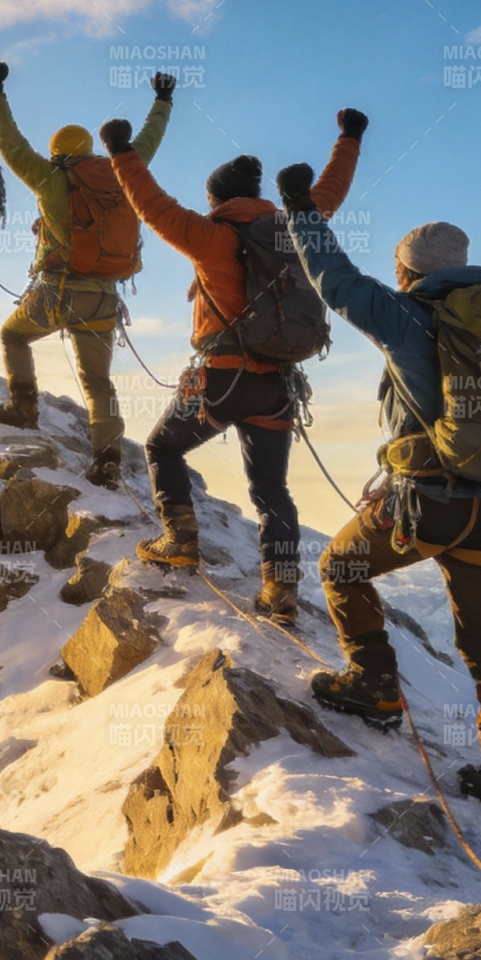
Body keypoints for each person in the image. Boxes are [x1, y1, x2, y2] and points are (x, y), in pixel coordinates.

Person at [276, 162, 481, 831]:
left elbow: (333, 279)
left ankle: (373, 686)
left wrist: (300, 210)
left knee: (339, 569)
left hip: (420, 507)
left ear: (407, 270)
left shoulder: (402, 315)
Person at [101, 110, 368, 623]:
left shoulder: (211, 237)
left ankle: (179, 540)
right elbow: (332, 189)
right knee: (272, 490)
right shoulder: (297, 224)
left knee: (162, 445)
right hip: (278, 384)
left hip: (223, 378)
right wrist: (349, 137)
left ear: (219, 199)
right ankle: (281, 593)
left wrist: (120, 151)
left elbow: (150, 203)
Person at [0, 62, 173, 487]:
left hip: (55, 293)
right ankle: (107, 461)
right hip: (103, 297)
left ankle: (23, 408)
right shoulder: (124, 171)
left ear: (57, 154)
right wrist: (162, 100)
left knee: (13, 336)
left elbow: (8, 142)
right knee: (98, 382)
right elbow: (148, 140)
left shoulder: (50, 177)